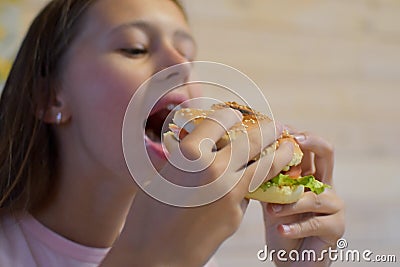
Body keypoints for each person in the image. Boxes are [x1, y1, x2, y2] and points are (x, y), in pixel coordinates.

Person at [0, 0, 345, 266]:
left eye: (189, 55)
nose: (180, 64)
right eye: (135, 48)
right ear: (50, 96)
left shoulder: (193, 245)